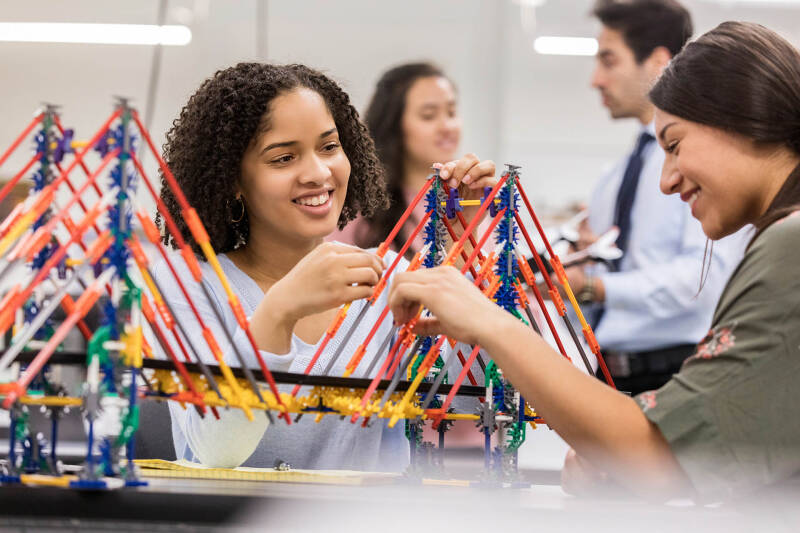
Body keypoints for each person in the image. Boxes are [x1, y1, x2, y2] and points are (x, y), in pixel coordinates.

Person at [387, 21, 800, 501]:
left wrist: (487, 321)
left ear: (743, 117)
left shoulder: (789, 244)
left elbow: (656, 456)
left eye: (676, 144)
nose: (666, 180)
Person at [152, 62, 495, 469]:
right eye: (283, 158)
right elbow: (217, 450)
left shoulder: (392, 279)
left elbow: (491, 392)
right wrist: (279, 312)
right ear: (233, 181)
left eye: (329, 147)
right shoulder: (188, 284)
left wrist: (467, 255)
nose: (318, 172)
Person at [565, 0, 745, 394]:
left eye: (609, 61)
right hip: (607, 375)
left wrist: (594, 286)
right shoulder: (613, 178)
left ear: (658, 62)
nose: (596, 79)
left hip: (673, 375)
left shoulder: (704, 168)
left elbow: (701, 280)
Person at [329, 62, 462, 255]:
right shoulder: (356, 214)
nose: (447, 126)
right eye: (428, 116)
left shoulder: (472, 202)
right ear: (394, 125)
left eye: (451, 112)